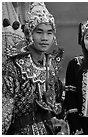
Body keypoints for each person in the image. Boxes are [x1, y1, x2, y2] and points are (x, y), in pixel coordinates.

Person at [2, 2, 69, 135]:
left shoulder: (51, 64)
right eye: (39, 32)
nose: (45, 38)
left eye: (49, 33)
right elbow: (4, 111)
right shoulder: (14, 66)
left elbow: (57, 104)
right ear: (29, 33)